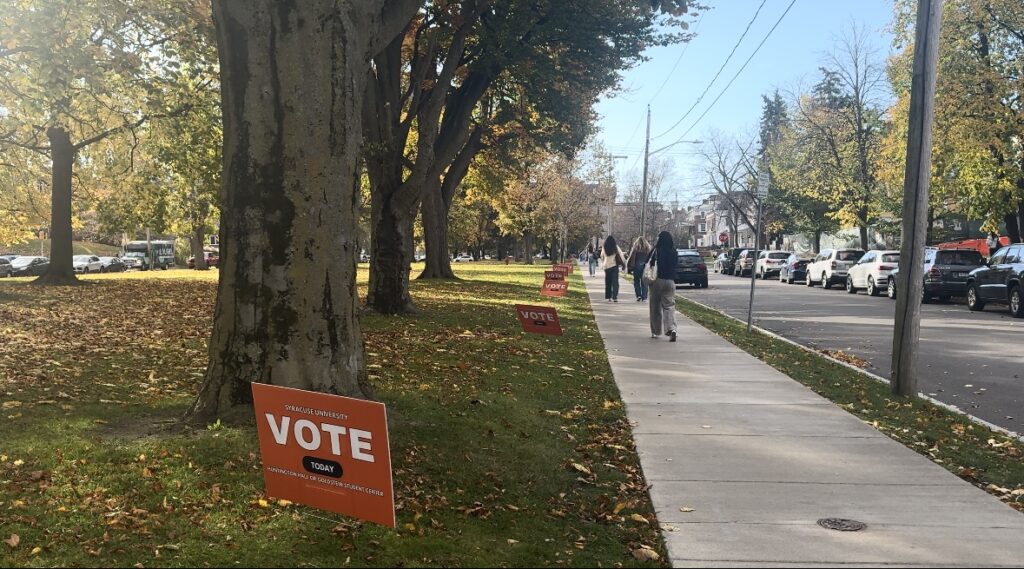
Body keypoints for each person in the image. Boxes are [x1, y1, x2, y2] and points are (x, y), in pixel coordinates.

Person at [648, 231, 679, 341]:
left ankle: (656, 332)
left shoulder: (656, 250)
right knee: (669, 306)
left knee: (655, 306)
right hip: (670, 281)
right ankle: (671, 328)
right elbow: (676, 265)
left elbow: (648, 263)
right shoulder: (673, 251)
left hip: (657, 280)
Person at [600, 236, 626, 302]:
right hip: (614, 266)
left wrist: (603, 263)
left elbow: (602, 256)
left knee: (608, 281)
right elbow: (621, 255)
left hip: (606, 266)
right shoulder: (616, 247)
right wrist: (624, 263)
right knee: (615, 282)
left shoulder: (604, 247)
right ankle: (615, 297)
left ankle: (608, 296)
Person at [626, 236, 652, 302]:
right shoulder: (648, 249)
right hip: (645, 267)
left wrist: (629, 266)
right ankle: (644, 297)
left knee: (636, 281)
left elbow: (631, 257)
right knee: (644, 282)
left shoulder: (635, 248)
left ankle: (638, 295)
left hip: (637, 267)